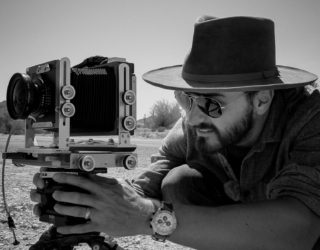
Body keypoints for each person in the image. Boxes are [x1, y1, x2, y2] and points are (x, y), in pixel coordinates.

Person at [31, 16, 320, 249]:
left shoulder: (310, 119)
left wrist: (148, 217)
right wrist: (91, 199)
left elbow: (302, 229)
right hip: (244, 224)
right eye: (187, 99)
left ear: (262, 99)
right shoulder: (195, 124)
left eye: (212, 103)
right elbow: (153, 178)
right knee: (179, 182)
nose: (193, 118)